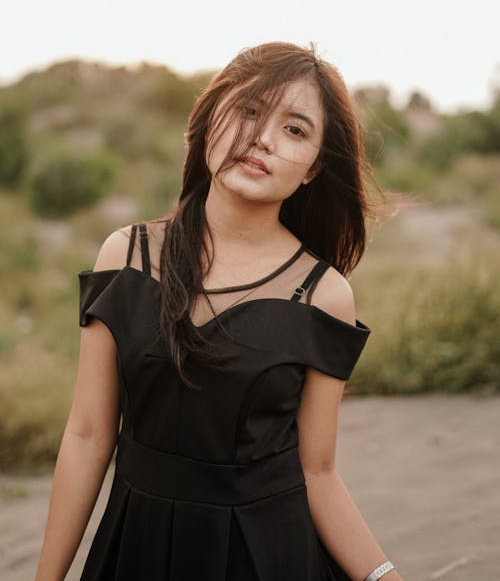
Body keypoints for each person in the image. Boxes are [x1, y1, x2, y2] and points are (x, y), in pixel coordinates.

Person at [34, 41, 404, 581]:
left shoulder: (322, 294)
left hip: (268, 557)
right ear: (211, 119)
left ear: (311, 171)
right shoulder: (127, 255)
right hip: (138, 548)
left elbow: (318, 473)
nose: (262, 139)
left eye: (294, 129)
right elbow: (88, 433)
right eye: (249, 111)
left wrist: (383, 576)